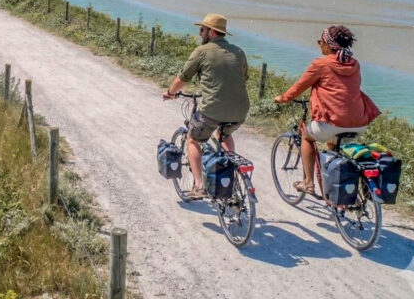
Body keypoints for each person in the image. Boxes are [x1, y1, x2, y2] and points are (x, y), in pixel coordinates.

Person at [274, 25, 380, 194]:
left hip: (332, 122)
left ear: (329, 44)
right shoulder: (355, 64)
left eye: (320, 41)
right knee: (332, 142)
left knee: (307, 137)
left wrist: (283, 98)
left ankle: (308, 183)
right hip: (359, 123)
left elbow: (299, 87)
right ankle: (332, 180)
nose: (319, 44)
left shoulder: (321, 64)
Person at [163, 13, 250, 199]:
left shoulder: (201, 51)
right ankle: (231, 173)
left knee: (193, 139)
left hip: (212, 111)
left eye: (202, 29)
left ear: (211, 32)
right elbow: (244, 77)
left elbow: (183, 78)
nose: (200, 33)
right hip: (240, 111)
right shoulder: (239, 52)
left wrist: (170, 93)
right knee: (225, 133)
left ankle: (199, 186)